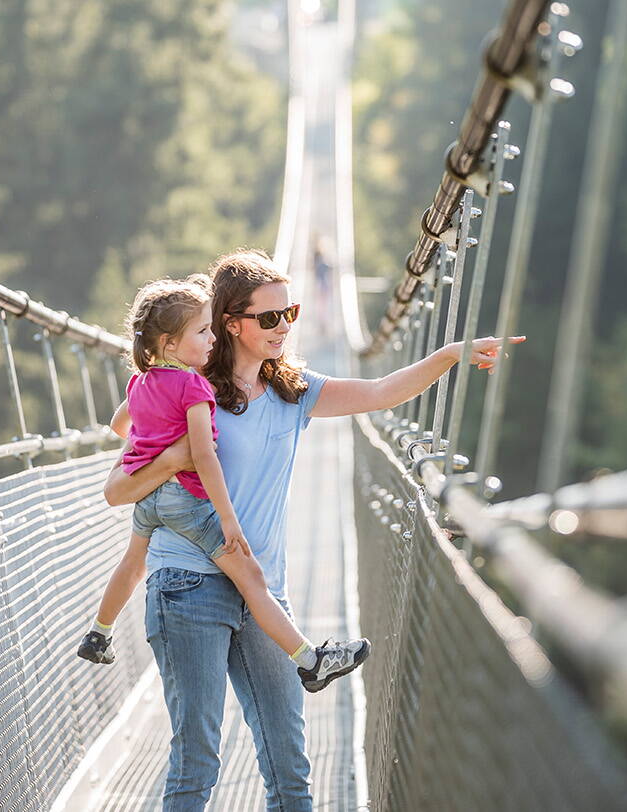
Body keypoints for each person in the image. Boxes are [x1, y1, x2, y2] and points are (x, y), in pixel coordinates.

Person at [103, 248, 520, 812]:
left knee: (289, 767)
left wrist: (450, 354)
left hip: (264, 592)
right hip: (189, 586)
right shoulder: (186, 390)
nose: (283, 328)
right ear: (231, 323)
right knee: (197, 761)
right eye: (269, 318)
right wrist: (175, 455)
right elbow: (118, 488)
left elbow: (378, 393)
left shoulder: (292, 392)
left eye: (289, 314)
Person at [76, 274, 371, 692]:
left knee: (132, 561)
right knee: (251, 577)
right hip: (186, 502)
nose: (212, 338)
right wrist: (229, 521)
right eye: (202, 331)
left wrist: (157, 431)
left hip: (149, 501)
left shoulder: (139, 383)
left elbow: (119, 426)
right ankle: (310, 660)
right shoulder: (195, 386)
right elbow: (204, 457)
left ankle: (99, 631)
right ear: (171, 343)